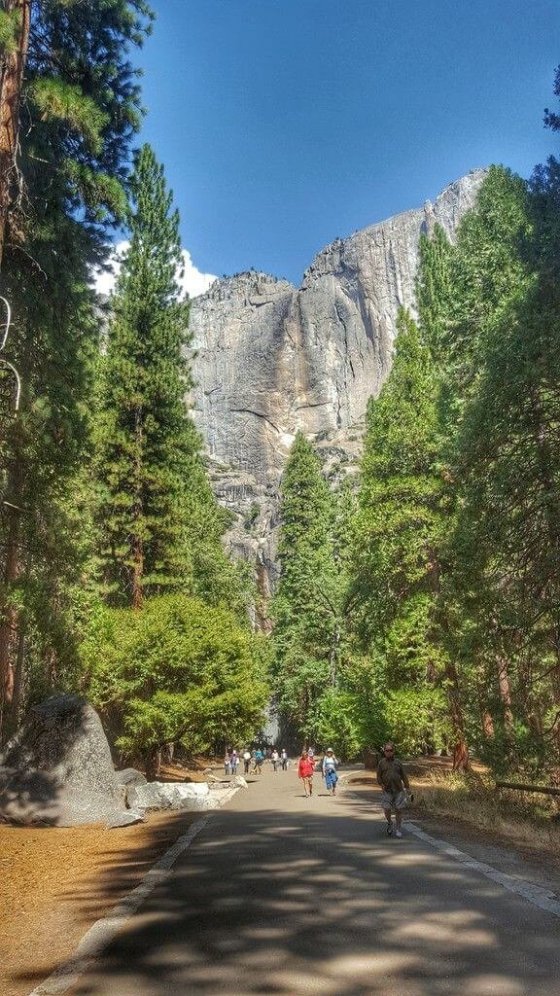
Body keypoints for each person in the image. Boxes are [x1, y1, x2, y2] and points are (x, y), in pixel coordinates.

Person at [376, 742, 411, 838]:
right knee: (387, 808)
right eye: (387, 751)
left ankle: (398, 828)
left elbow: (404, 776)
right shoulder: (381, 763)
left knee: (399, 810)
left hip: (398, 790)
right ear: (384, 752)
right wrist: (381, 784)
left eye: (390, 750)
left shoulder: (398, 762)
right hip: (387, 790)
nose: (389, 752)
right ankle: (390, 822)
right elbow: (378, 776)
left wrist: (407, 787)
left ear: (393, 751)